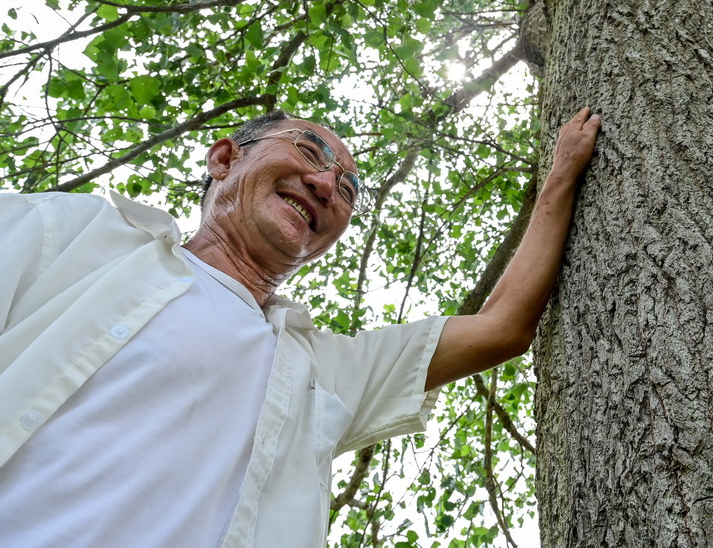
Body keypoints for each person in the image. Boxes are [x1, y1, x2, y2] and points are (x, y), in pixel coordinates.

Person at [0, 106, 601, 547]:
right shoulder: (73, 236)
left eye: (346, 190)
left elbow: (501, 327)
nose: (325, 184)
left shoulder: (321, 371)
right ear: (225, 157)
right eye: (310, 152)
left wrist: (560, 178)